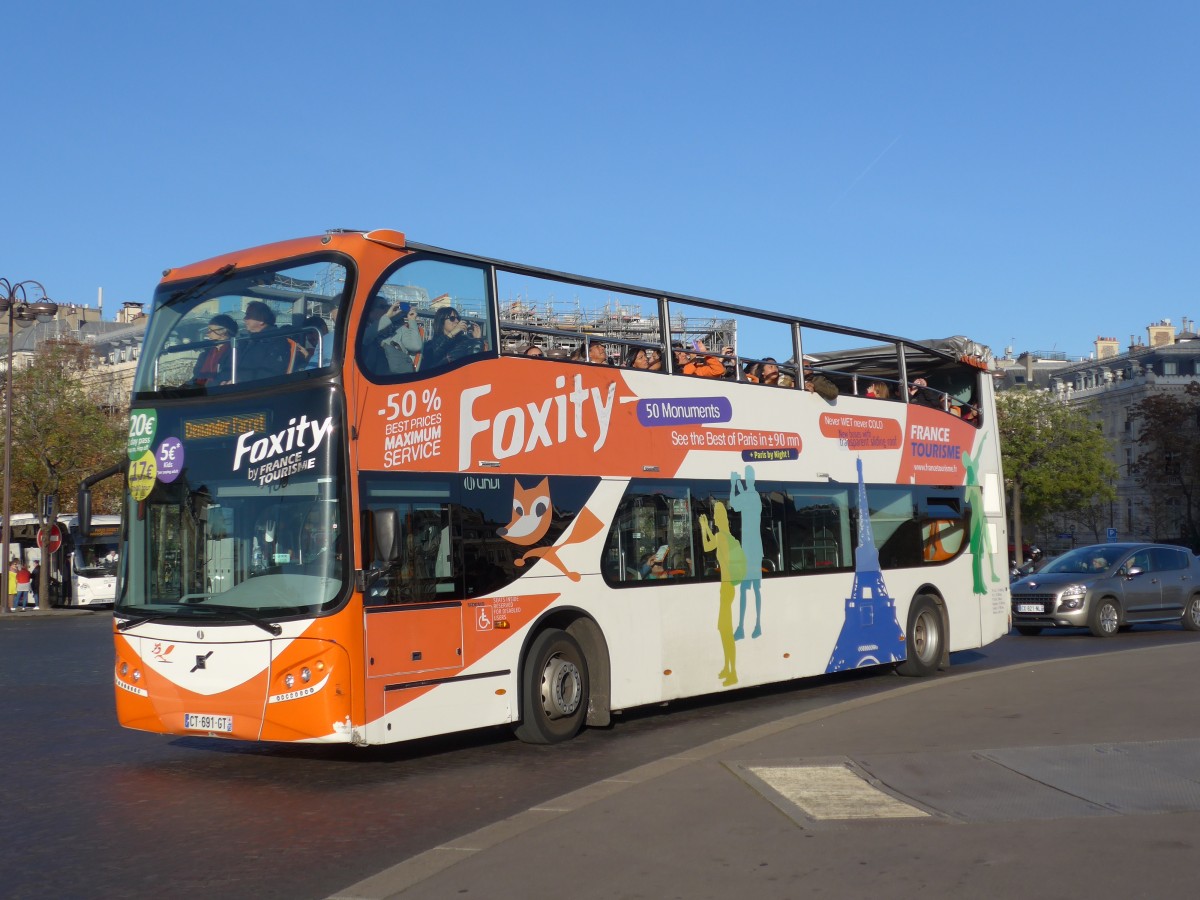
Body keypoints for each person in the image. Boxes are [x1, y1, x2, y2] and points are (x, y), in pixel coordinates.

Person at [364, 298, 422, 374]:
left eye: (387, 306)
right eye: (382, 306)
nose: (387, 309)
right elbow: (364, 339)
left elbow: (415, 346)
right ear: (370, 312)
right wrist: (387, 317)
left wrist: (411, 320)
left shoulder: (398, 329)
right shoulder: (363, 329)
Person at [239, 301, 295, 380]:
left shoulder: (277, 341)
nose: (244, 319)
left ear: (261, 319)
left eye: (248, 315)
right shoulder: (247, 341)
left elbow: (270, 373)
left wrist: (239, 382)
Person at [191, 314, 238, 386]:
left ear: (223, 331)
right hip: (201, 390)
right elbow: (196, 376)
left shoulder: (234, 352)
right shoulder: (205, 354)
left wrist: (205, 386)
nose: (207, 333)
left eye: (211, 330)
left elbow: (225, 375)